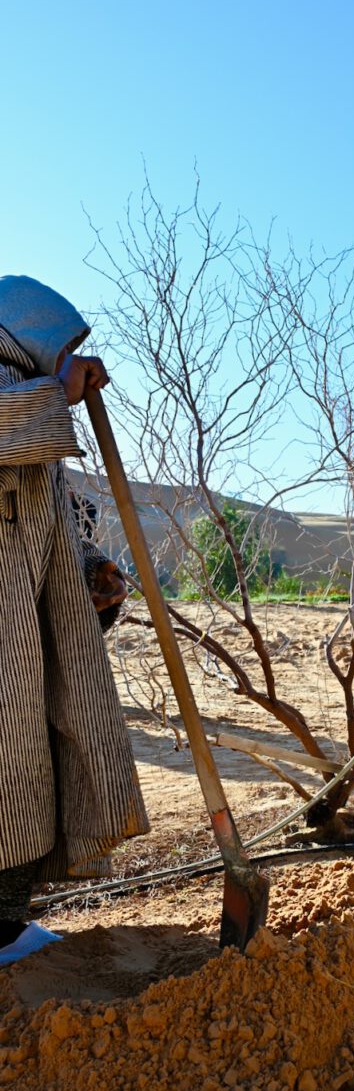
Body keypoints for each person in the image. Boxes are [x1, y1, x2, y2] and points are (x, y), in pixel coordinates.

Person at [0, 275, 149, 966]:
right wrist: (57, 392)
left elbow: (52, 522)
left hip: (22, 639)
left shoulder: (38, 415)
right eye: (64, 348)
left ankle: (4, 929)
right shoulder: (22, 399)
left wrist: (91, 573)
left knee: (26, 779)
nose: (74, 362)